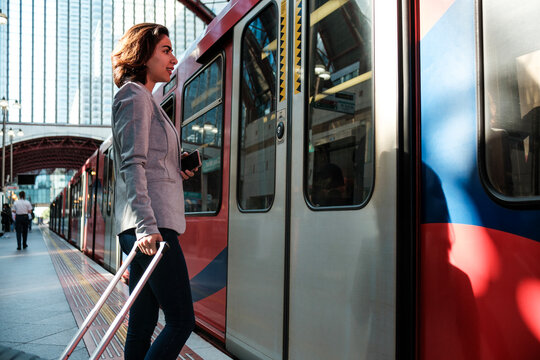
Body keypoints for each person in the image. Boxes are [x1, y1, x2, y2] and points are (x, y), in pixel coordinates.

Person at [111, 23, 197, 359]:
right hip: (151, 228)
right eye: (166, 50)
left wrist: (178, 170)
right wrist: (148, 228)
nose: (173, 58)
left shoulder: (144, 99)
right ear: (143, 54)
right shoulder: (134, 97)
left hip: (147, 225)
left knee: (143, 324)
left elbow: (150, 166)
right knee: (180, 321)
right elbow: (132, 165)